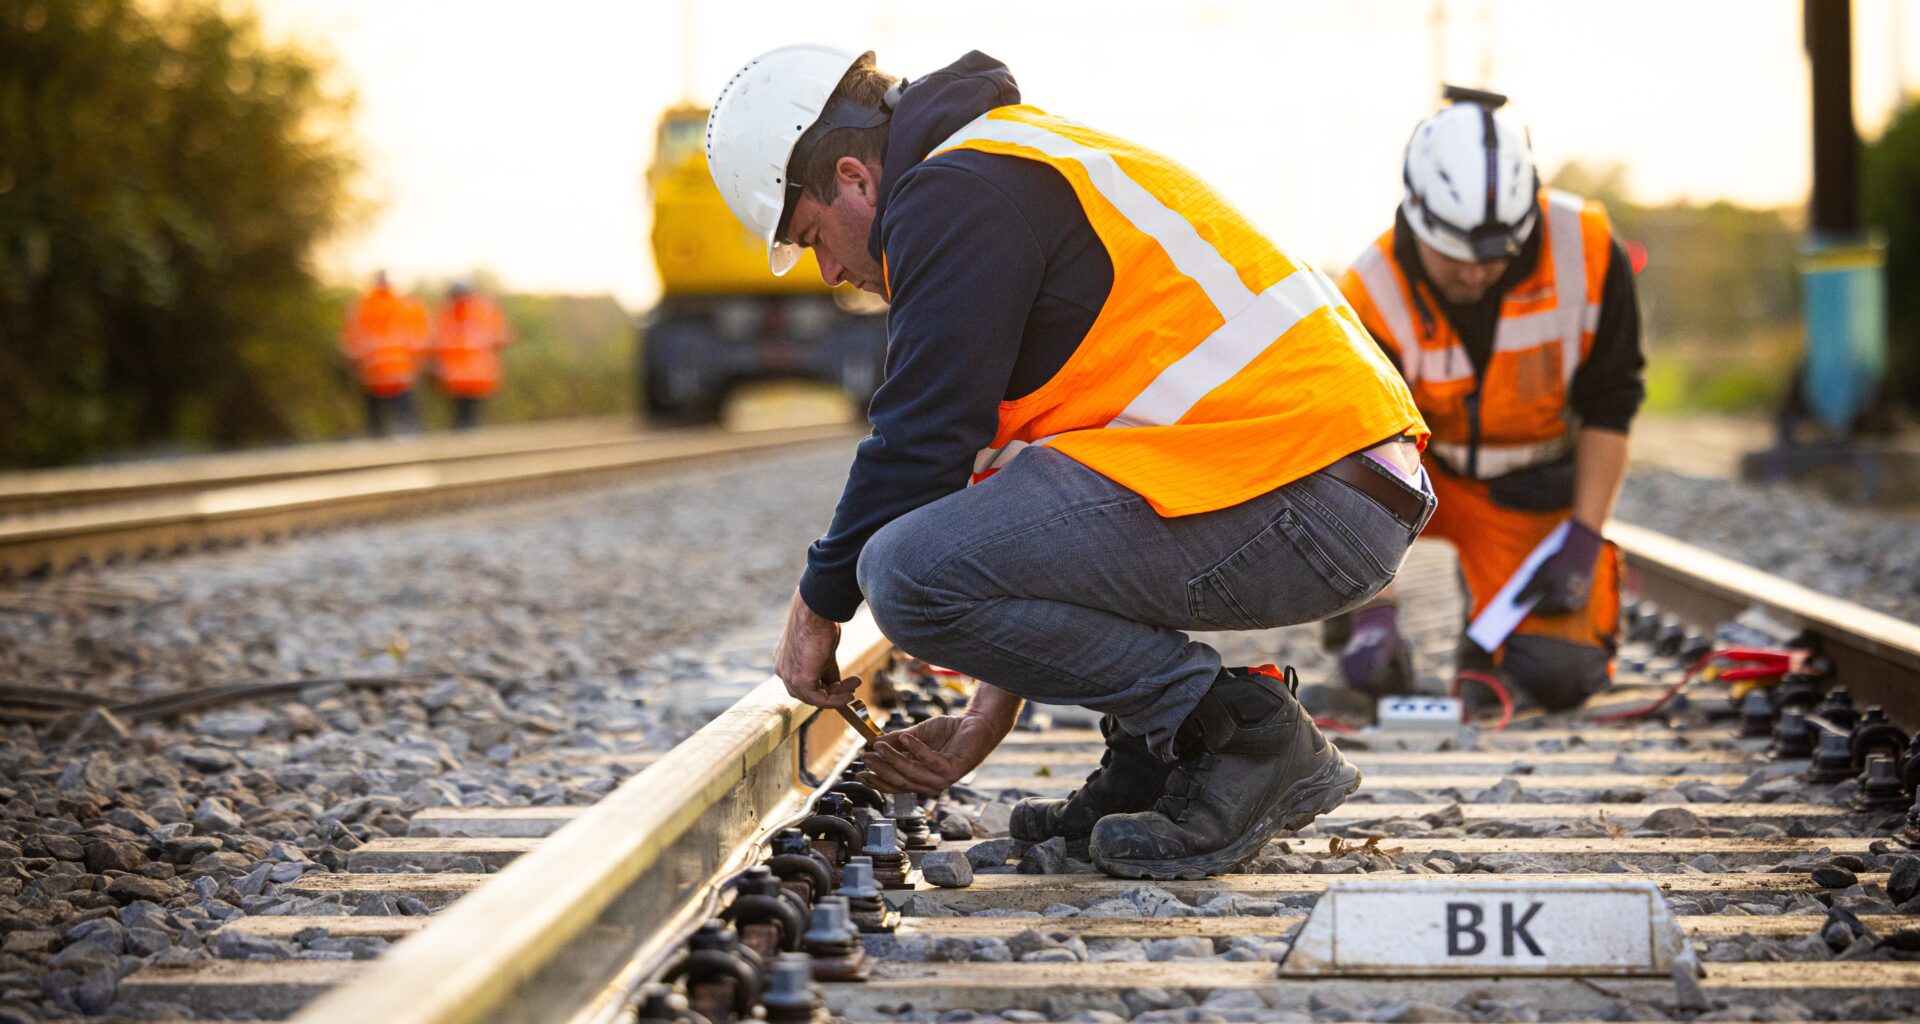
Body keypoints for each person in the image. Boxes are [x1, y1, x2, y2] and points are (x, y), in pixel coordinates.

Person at [707, 46, 1433, 879]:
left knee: (899, 573)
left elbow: (917, 447)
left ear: (853, 179)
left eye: (812, 238)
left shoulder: (955, 192)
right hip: (1328, 485)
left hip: (1305, 494)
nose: (832, 271)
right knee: (927, 557)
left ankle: (1240, 732)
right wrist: (985, 716)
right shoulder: (1006, 163)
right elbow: (1029, 519)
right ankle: (1156, 755)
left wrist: (817, 604)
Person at [1329, 86, 1646, 713]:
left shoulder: (1587, 249)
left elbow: (1612, 403)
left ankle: (1488, 639)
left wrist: (1584, 537)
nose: (1473, 274)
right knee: (1327, 472)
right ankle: (1350, 617)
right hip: (1412, 484)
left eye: (1493, 256)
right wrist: (1372, 606)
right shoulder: (1370, 288)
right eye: (1454, 256)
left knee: (1560, 676)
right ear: (1415, 215)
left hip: (1525, 490)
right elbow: (1356, 457)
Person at [342, 271, 429, 437]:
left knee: (376, 410)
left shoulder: (361, 306)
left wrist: (353, 360)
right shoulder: (404, 304)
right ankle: (406, 434)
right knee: (402, 405)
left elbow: (351, 340)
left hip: (374, 370)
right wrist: (419, 360)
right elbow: (418, 336)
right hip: (399, 367)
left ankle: (378, 436)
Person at [432, 281, 512, 430]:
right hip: (457, 372)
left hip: (477, 370)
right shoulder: (447, 313)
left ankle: (472, 428)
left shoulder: (484, 310)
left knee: (474, 405)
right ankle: (464, 429)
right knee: (461, 406)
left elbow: (501, 336)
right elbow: (438, 340)